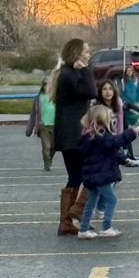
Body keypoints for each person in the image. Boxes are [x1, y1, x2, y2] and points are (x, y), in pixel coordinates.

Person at [52, 38, 97, 235]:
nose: (88, 55)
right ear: (77, 53)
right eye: (86, 52)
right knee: (93, 172)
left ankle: (65, 222)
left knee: (75, 176)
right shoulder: (70, 74)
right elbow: (91, 91)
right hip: (73, 134)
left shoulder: (67, 73)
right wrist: (85, 70)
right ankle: (76, 210)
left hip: (68, 133)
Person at [76, 104, 136, 239]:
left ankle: (83, 229)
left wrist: (123, 159)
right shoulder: (102, 135)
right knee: (111, 199)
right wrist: (133, 132)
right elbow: (115, 143)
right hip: (101, 174)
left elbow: (110, 150)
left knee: (90, 201)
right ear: (103, 119)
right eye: (110, 117)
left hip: (90, 175)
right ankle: (106, 227)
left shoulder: (89, 135)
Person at [25, 80, 55, 171]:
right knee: (46, 146)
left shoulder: (56, 97)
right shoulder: (38, 99)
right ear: (43, 87)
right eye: (46, 86)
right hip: (43, 125)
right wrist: (30, 128)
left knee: (54, 146)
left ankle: (49, 160)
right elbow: (34, 114)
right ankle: (46, 163)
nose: (47, 88)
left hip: (55, 126)